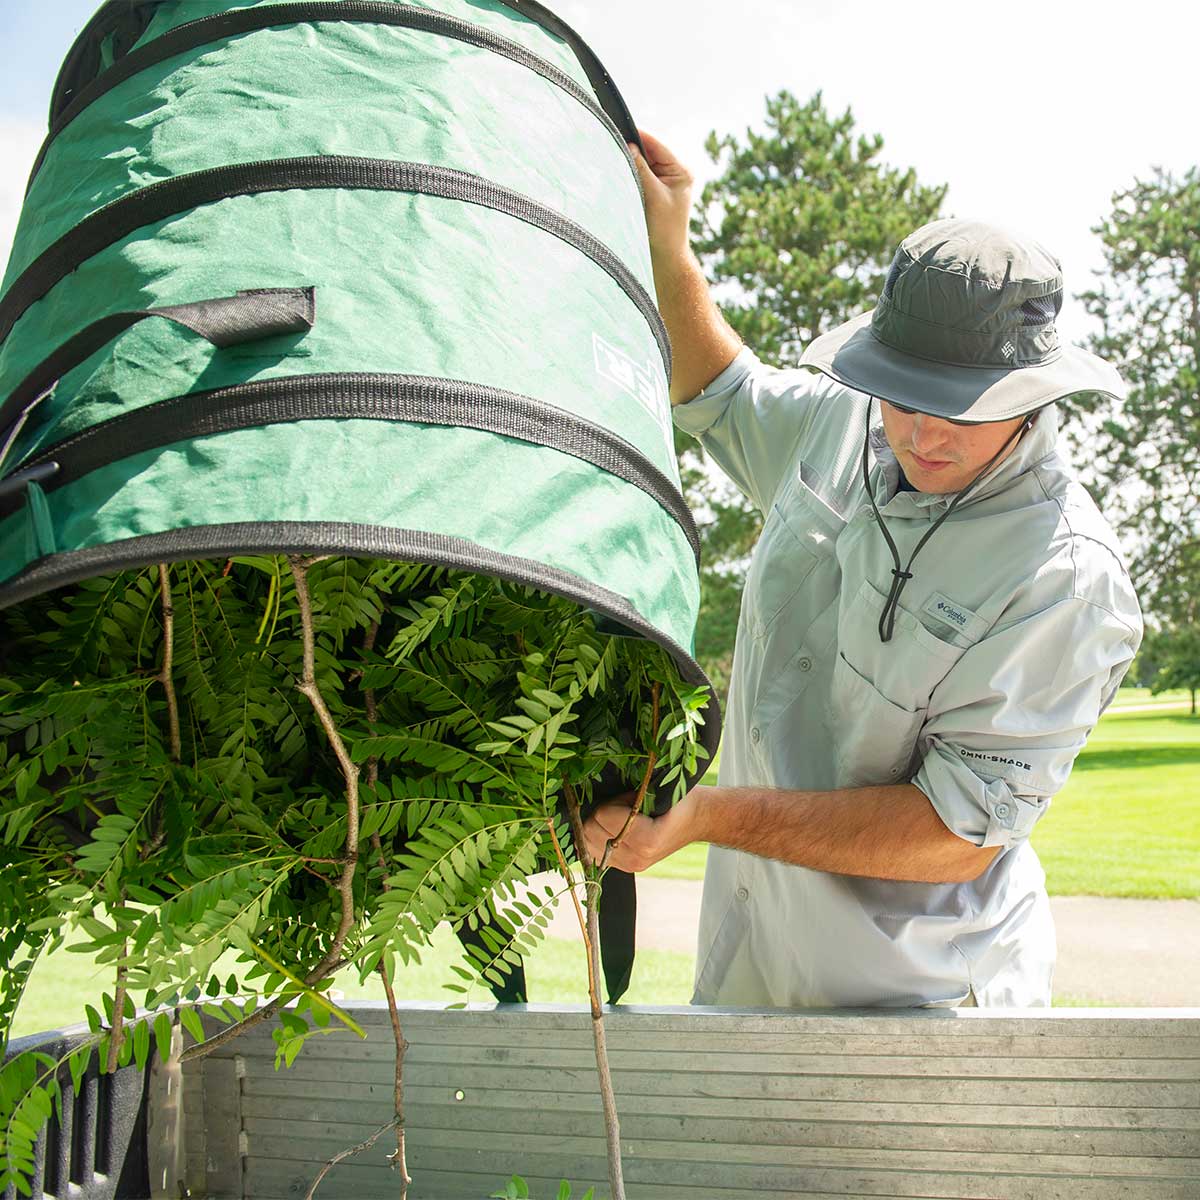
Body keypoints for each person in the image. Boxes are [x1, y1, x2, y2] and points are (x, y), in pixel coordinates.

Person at [582, 132, 1143, 1007]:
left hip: (921, 1000)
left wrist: (711, 815)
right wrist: (669, 247)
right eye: (903, 393)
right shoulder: (843, 423)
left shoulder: (1064, 580)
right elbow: (720, 392)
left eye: (963, 407)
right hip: (751, 958)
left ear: (1033, 396)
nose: (921, 433)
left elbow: (952, 835)